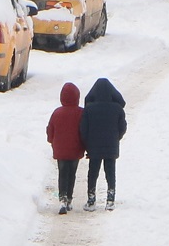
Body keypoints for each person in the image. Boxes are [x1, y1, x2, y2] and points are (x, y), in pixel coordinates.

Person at [78, 77, 127, 211]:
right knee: (110, 172)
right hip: (111, 146)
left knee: (93, 172)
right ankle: (110, 199)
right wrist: (116, 138)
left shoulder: (89, 109)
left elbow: (83, 129)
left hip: (94, 147)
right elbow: (122, 127)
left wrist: (87, 143)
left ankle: (91, 199)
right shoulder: (117, 109)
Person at [46, 81, 86, 214]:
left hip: (60, 149)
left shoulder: (57, 113)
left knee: (62, 173)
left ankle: (62, 197)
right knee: (72, 173)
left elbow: (50, 129)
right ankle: (69, 198)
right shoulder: (81, 113)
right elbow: (84, 131)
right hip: (75, 148)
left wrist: (51, 140)